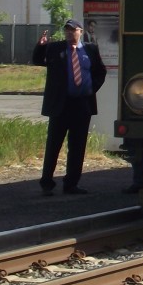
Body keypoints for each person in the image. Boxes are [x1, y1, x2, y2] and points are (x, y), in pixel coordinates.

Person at [33, 19, 106, 196]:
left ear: (80, 31)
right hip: (60, 105)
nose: (69, 33)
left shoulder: (90, 49)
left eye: (73, 30)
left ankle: (71, 183)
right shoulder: (55, 48)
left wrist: (91, 88)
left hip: (82, 105)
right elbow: (38, 60)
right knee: (53, 145)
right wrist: (41, 46)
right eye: (67, 30)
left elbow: (100, 71)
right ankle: (47, 183)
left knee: (77, 146)